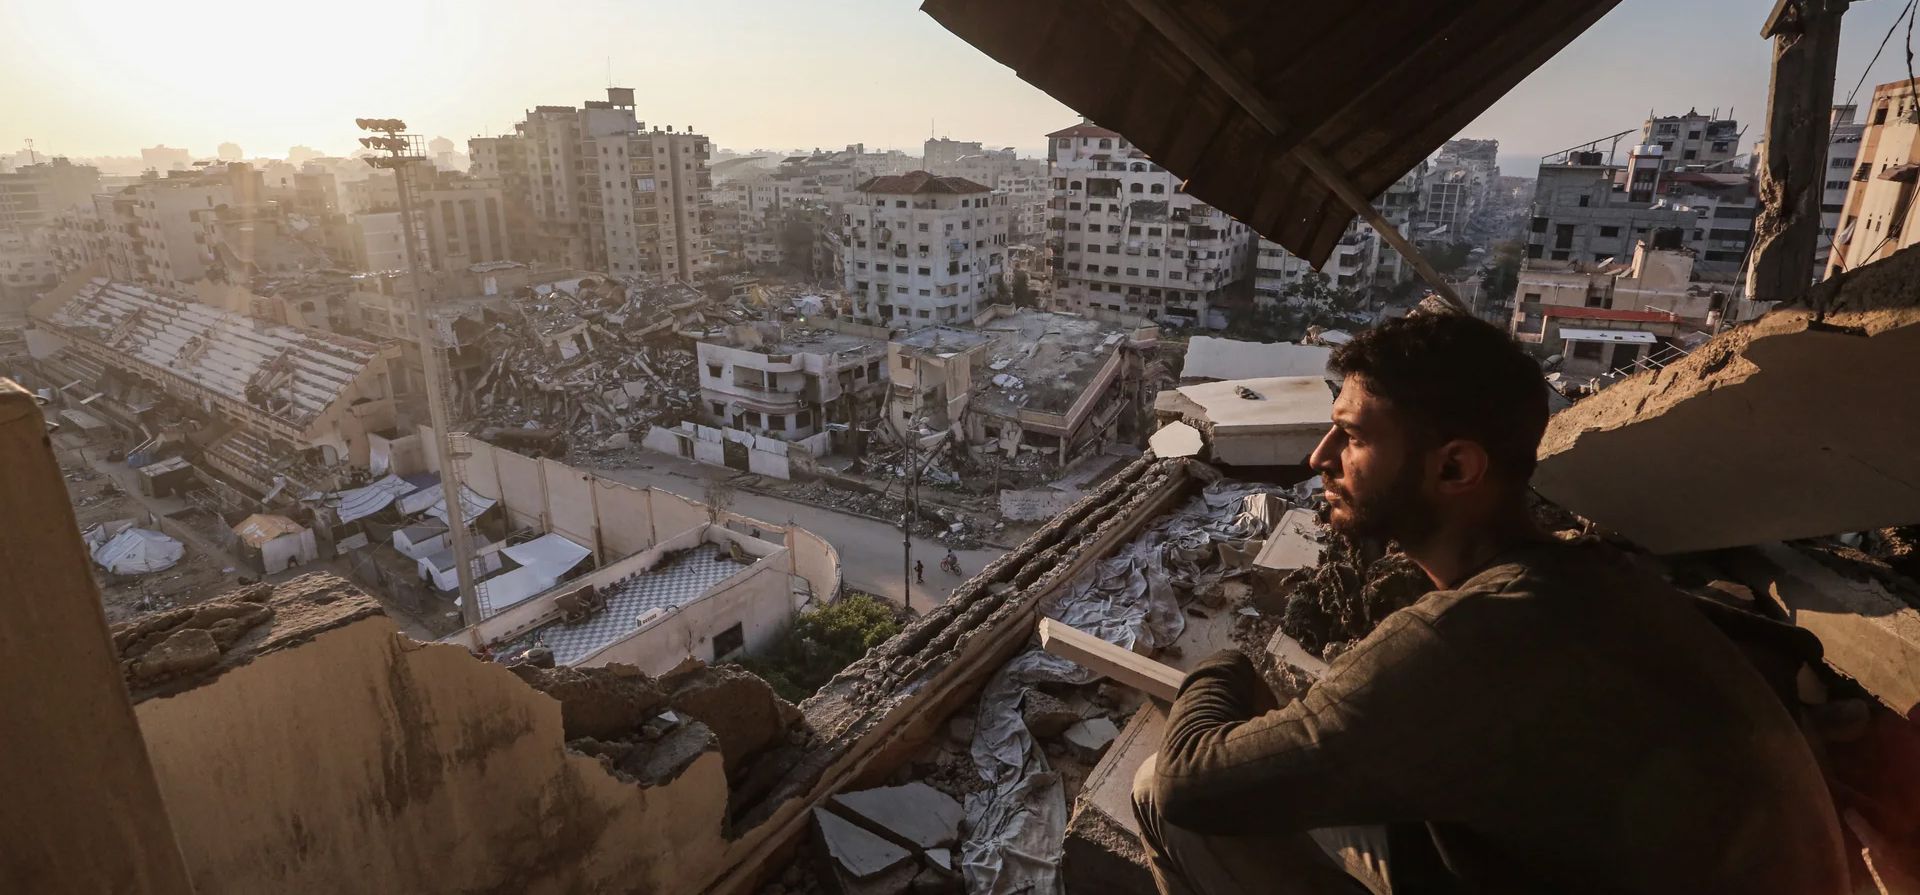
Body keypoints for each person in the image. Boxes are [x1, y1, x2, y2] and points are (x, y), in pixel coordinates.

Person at [1133, 312, 1845, 895]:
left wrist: (1222, 664)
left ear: (1455, 466)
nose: (1320, 456)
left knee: (1155, 785)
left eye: (1350, 436)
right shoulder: (1595, 575)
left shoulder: (1469, 642)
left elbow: (1189, 783)